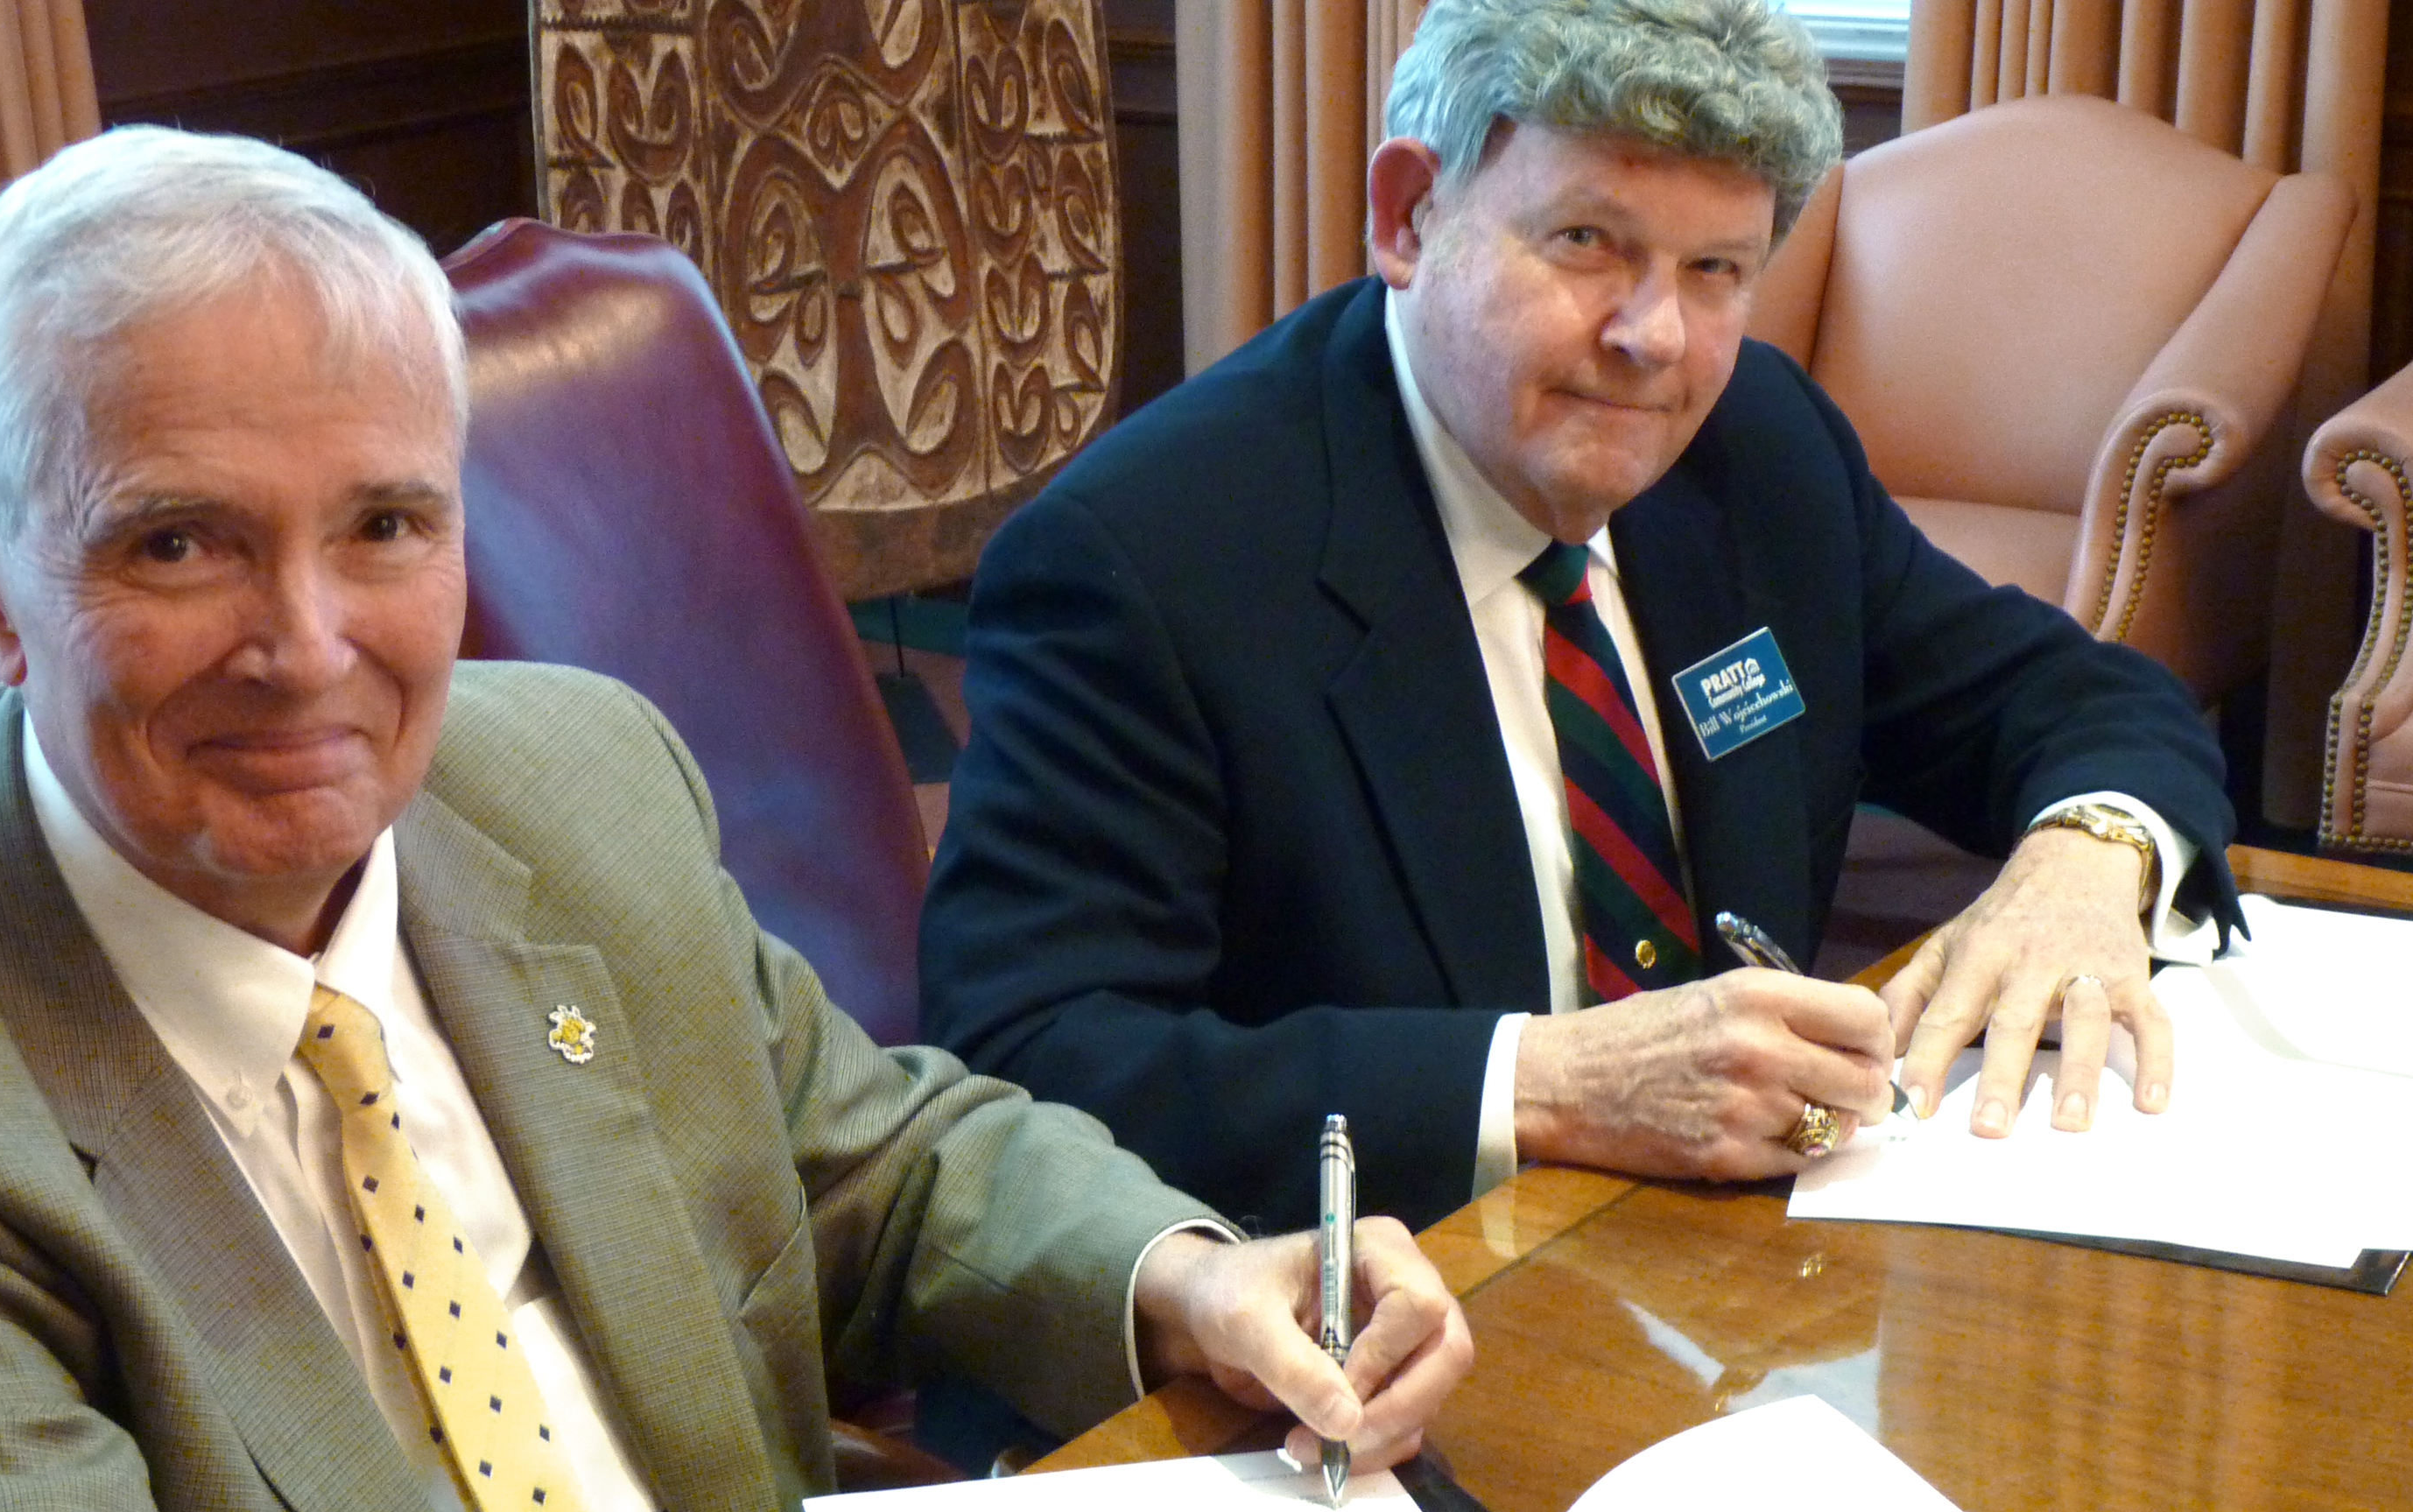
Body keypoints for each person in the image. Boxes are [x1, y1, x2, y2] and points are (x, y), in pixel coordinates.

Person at [0, 128, 1475, 1512]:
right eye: (178, 542)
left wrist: (1181, 1277)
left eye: (386, 525)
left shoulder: (567, 778)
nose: (308, 644)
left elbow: (866, 1158)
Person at [918, 0, 2241, 1235]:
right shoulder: (1146, 560)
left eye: (1717, 268)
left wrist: (2085, 858)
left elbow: (2072, 699)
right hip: (1351, 1317)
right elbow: (1034, 1065)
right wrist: (1540, 1084)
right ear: (1408, 216)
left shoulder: (1755, 450)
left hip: (1732, 1274)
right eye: (1586, 243)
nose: (1654, 336)